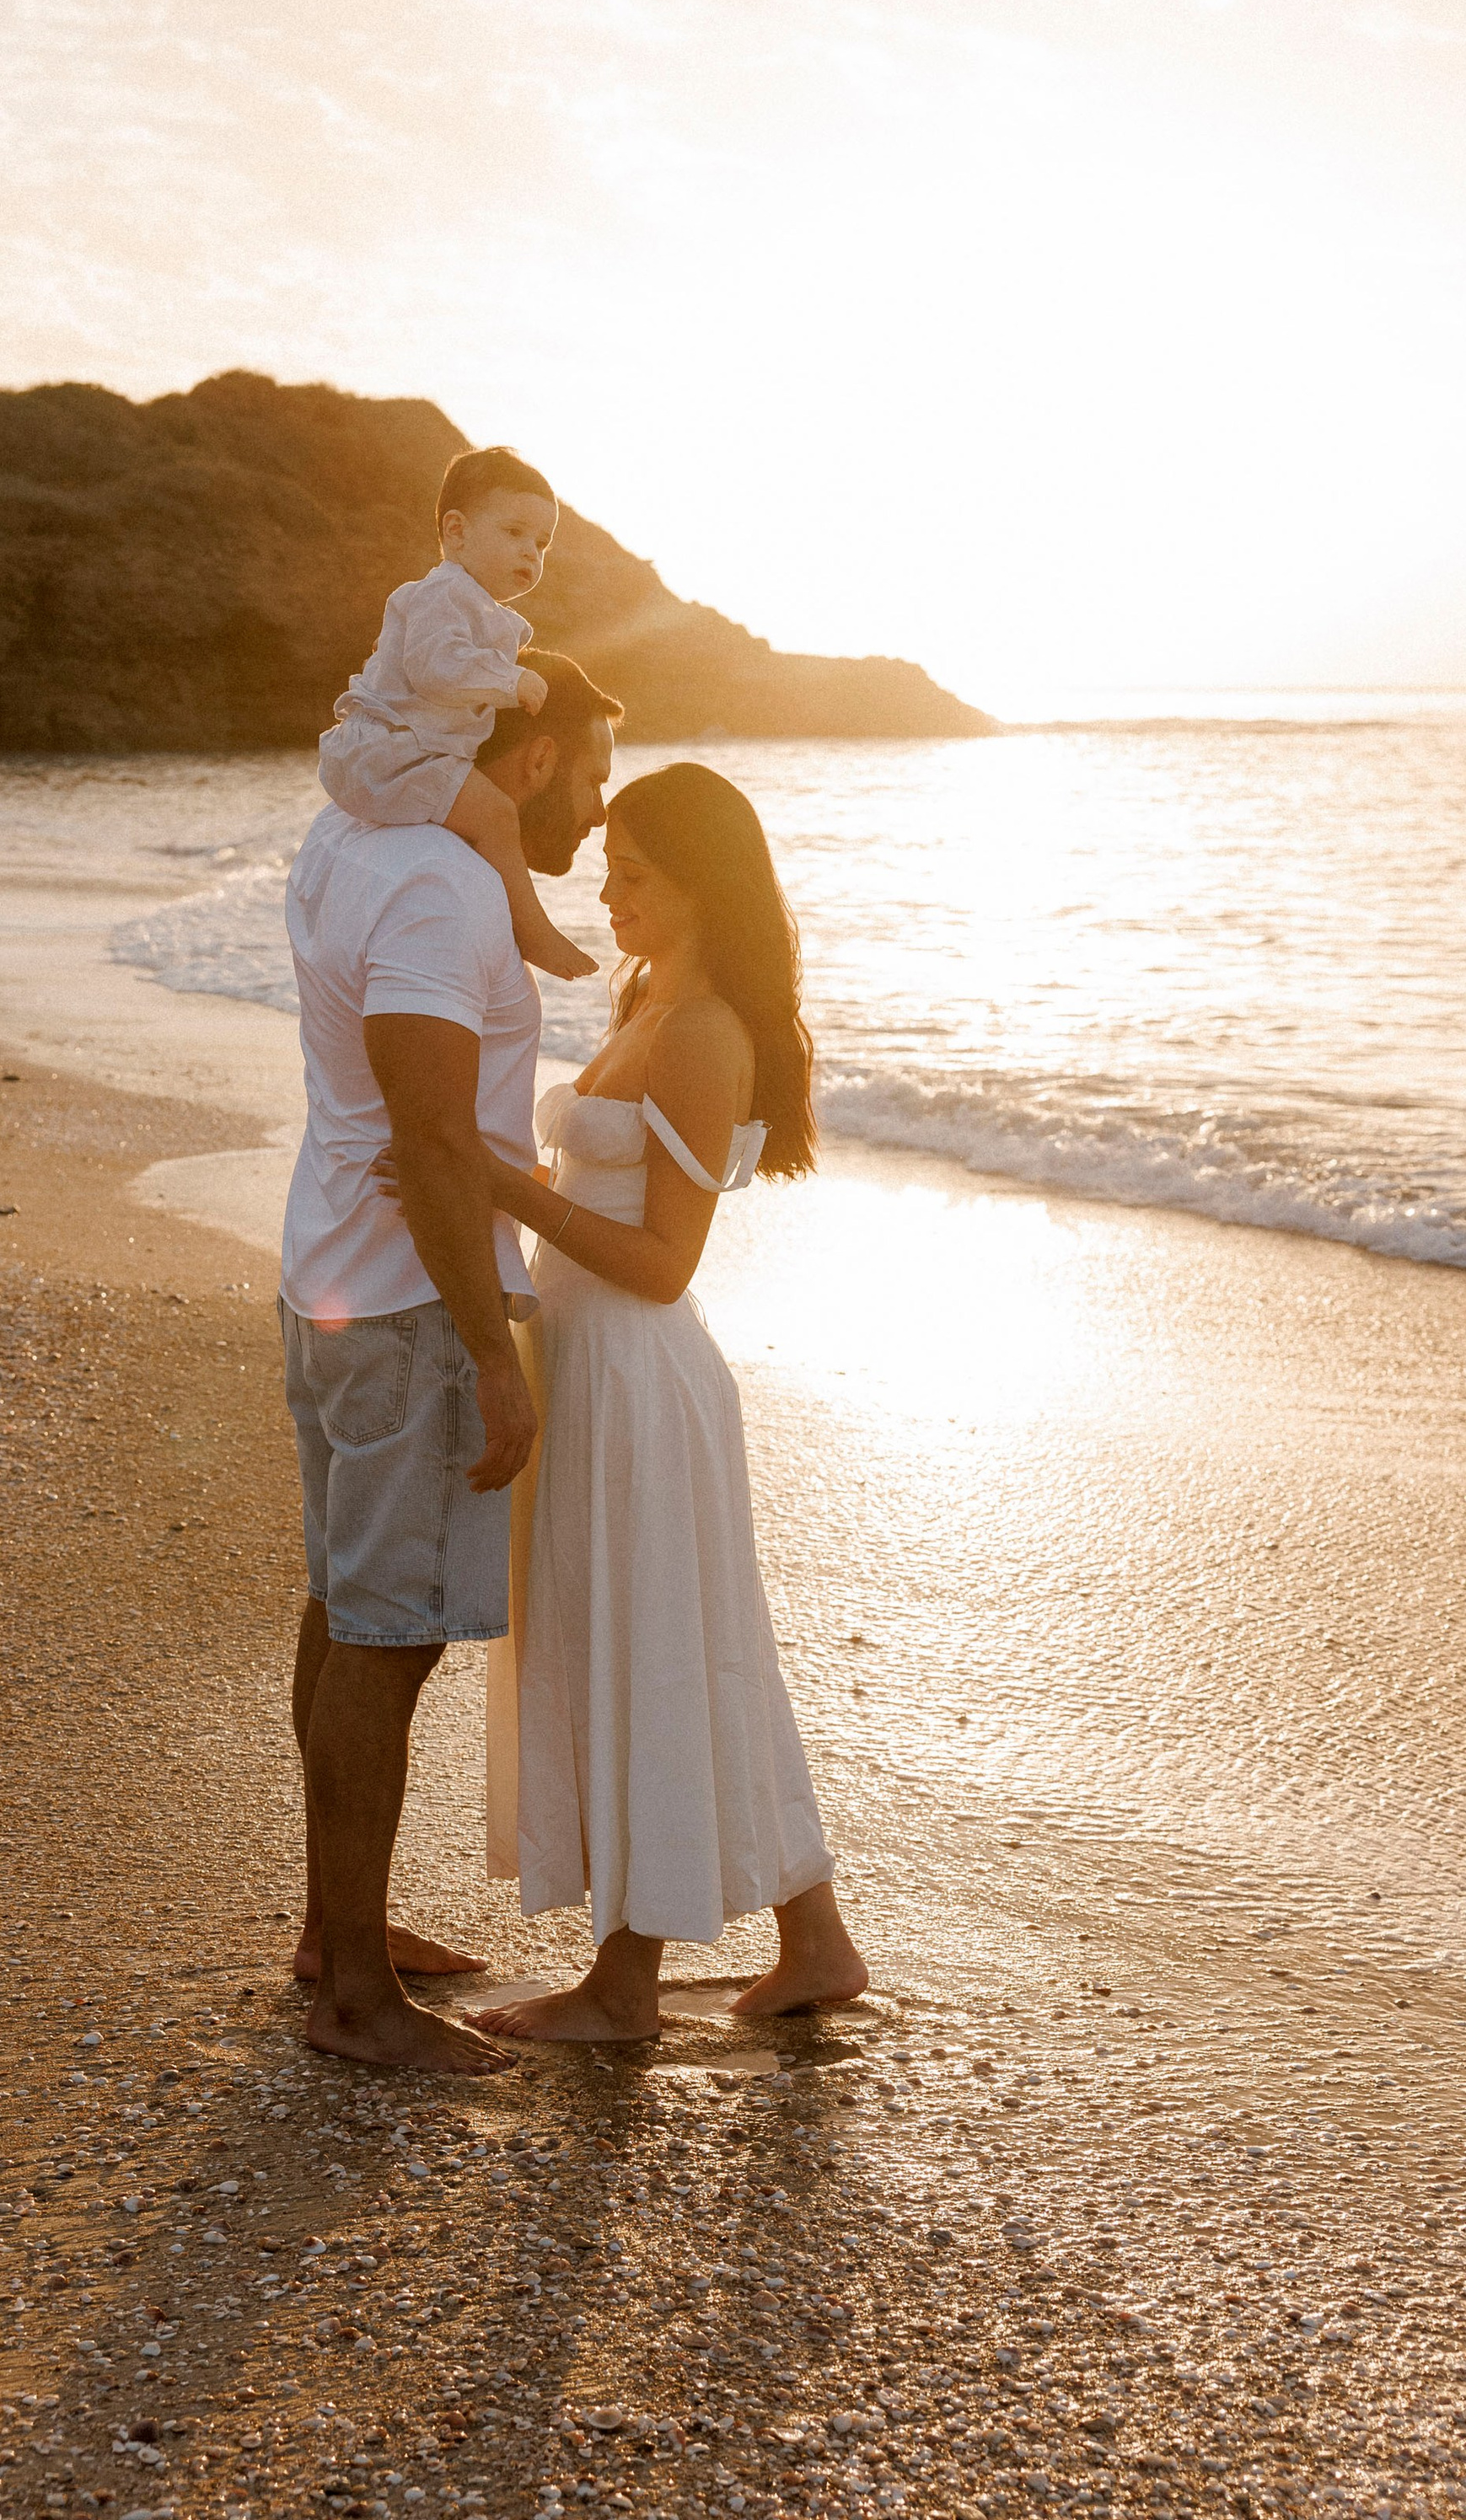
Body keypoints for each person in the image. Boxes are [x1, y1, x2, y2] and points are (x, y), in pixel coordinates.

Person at [457, 761, 869, 2040]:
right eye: (611, 865)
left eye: (633, 873)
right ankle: (817, 1941)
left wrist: (502, 1184)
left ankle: (625, 1986)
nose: (605, 886)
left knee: (647, 1645)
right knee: (688, 1645)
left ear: (700, 886)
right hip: (587, 1359)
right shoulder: (651, 997)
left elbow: (663, 1260)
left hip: (639, 1374)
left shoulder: (701, 1033)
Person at [280, 651, 620, 2072]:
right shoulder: (439, 887)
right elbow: (431, 1137)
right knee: (389, 1626)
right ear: (530, 761)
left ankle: (333, 1935)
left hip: (332, 1268)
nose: (601, 811)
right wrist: (495, 1348)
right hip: (411, 1295)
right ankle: (358, 1992)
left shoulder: (353, 838)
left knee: (349, 1600)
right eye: (593, 772)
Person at [314, 445, 599, 982]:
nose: (530, 554)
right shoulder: (440, 595)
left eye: (541, 543)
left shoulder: (482, 611)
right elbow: (434, 668)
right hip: (386, 752)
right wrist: (509, 680)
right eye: (514, 533)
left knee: (478, 810)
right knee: (495, 815)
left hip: (400, 752)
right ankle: (534, 932)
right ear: (457, 530)